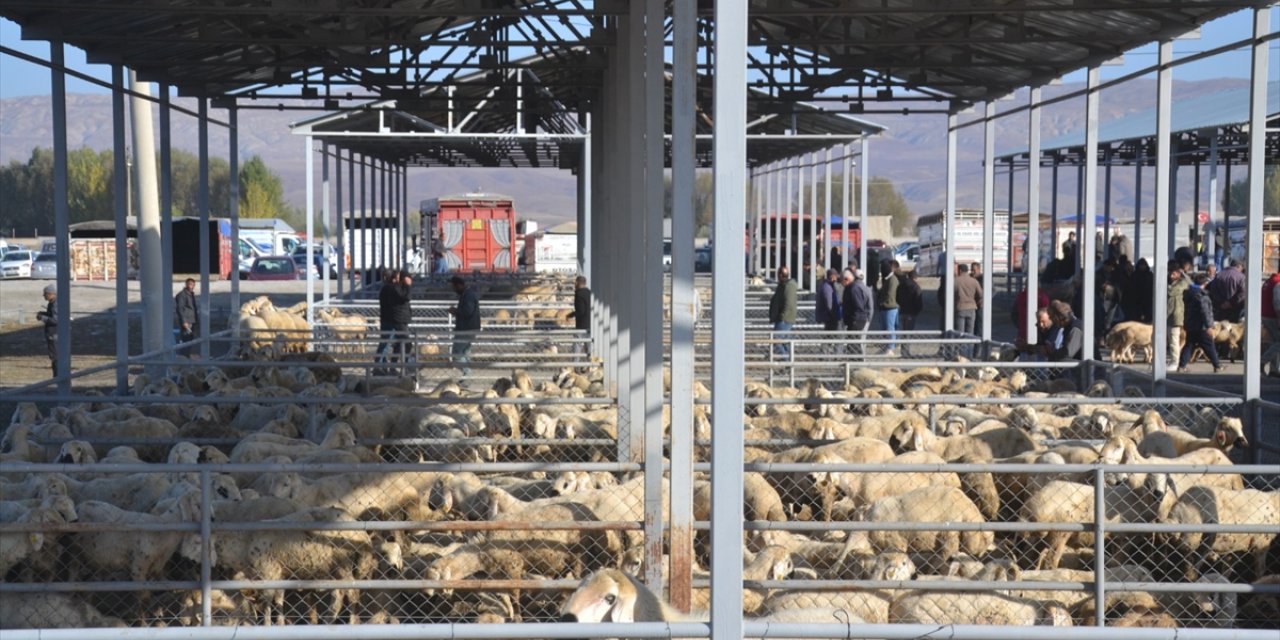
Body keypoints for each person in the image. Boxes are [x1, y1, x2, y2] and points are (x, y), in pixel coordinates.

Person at [1179, 273, 1222, 373]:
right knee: (1209, 346)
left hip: (1190, 325)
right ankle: (1217, 366)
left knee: (1189, 345)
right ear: (1205, 283)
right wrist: (1209, 326)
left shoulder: (1189, 294)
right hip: (1201, 326)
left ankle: (1182, 366)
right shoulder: (1202, 296)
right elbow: (1205, 312)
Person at [375, 270, 413, 372]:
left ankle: (384, 366)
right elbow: (405, 297)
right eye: (398, 277)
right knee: (388, 343)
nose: (399, 279)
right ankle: (381, 366)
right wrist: (407, 285)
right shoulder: (392, 288)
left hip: (390, 319)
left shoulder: (388, 288)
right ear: (393, 278)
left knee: (392, 343)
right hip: (391, 320)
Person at [448, 275, 480, 377]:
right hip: (470, 327)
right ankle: (467, 377)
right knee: (465, 352)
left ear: (460, 285)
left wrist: (456, 311)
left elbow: (468, 311)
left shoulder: (468, 296)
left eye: (455, 287)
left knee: (457, 352)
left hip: (466, 328)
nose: (454, 290)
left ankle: (467, 373)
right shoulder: (467, 294)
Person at [842, 268, 872, 356]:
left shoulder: (854, 288)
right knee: (853, 342)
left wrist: (854, 320)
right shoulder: (854, 287)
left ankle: (857, 362)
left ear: (846, 279)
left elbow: (858, 306)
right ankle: (856, 362)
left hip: (856, 320)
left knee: (853, 343)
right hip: (856, 319)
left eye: (842, 280)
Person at [768, 267, 797, 357]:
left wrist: (782, 316)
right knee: (783, 342)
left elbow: (789, 303)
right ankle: (788, 363)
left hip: (784, 319)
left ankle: (786, 362)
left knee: (776, 341)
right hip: (782, 318)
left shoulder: (788, 286)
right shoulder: (782, 285)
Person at [1207, 258, 1245, 322]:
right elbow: (1243, 293)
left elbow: (1213, 290)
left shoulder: (1219, 275)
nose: (1242, 270)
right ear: (1239, 266)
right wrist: (1231, 303)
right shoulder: (1241, 277)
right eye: (1242, 268)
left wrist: (1222, 302)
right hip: (1235, 310)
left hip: (1220, 309)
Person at [1167, 260, 1189, 367]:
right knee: (1172, 339)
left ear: (1179, 273)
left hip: (1176, 316)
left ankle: (1175, 362)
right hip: (1171, 315)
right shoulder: (1174, 282)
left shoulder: (1182, 283)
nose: (1171, 275)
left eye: (1173, 273)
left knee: (1174, 340)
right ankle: (1174, 360)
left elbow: (1171, 292)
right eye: (1170, 273)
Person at [896, 269, 924, 356]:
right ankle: (906, 352)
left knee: (903, 332)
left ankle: (903, 351)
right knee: (908, 333)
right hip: (911, 312)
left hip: (902, 311)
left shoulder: (901, 285)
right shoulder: (916, 287)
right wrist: (917, 311)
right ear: (915, 277)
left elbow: (897, 298)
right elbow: (919, 301)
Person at [877, 260, 900, 356]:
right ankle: (888, 346)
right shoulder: (887, 279)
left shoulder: (893, 280)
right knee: (887, 328)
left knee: (890, 328)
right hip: (886, 307)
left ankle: (890, 347)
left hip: (890, 307)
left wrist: (883, 303)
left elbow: (890, 295)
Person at [952, 263, 981, 337]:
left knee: (960, 333)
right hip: (972, 308)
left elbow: (951, 294)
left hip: (960, 308)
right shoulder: (974, 281)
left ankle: (960, 348)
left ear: (960, 270)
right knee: (970, 334)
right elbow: (981, 294)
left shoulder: (955, 281)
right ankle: (969, 348)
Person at [1262, 268, 1280, 378]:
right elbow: (1278, 304)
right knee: (1278, 343)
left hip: (1266, 314)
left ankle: (1274, 370)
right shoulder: (1278, 283)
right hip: (1273, 316)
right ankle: (1262, 361)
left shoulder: (1269, 281)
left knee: (1274, 341)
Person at [36, 284, 58, 376]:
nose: (44, 296)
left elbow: (56, 320)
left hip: (55, 335)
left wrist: (42, 318)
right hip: (54, 334)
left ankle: (57, 377)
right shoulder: (52, 303)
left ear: (51, 294)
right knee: (55, 357)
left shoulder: (55, 304)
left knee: (56, 357)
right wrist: (44, 313)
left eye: (45, 294)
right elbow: (52, 315)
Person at [567, 275, 592, 354]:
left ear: (577, 282)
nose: (574, 284)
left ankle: (575, 364)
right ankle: (590, 364)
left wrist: (570, 315)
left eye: (575, 282)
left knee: (577, 345)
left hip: (581, 325)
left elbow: (580, 311)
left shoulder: (579, 294)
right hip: (590, 324)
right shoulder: (589, 293)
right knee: (589, 346)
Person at [174, 278, 199, 355]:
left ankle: (188, 354)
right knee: (186, 338)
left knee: (190, 338)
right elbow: (180, 309)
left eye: (193, 285)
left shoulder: (190, 294)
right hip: (187, 321)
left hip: (192, 320)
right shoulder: (183, 295)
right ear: (186, 284)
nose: (192, 286)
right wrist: (184, 321)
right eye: (190, 284)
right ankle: (185, 355)